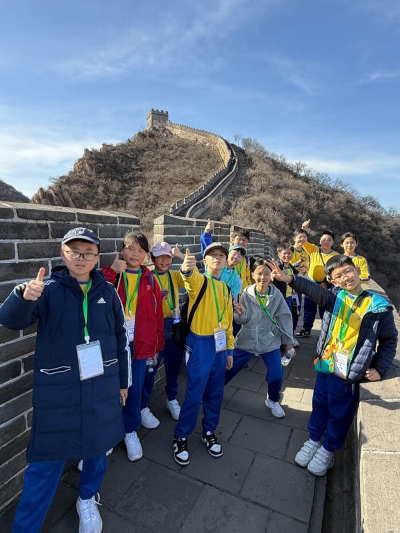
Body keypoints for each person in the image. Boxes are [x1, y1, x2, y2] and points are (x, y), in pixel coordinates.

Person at [0, 227, 131, 533]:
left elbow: (121, 337)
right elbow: (11, 320)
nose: (81, 258)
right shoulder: (47, 290)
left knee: (97, 451)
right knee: (44, 465)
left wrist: (123, 382)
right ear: (63, 254)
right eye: (74, 252)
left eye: (88, 253)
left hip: (102, 386)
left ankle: (87, 497)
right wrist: (22, 297)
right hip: (59, 392)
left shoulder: (108, 292)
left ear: (97, 257)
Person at [269, 255, 397, 476]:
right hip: (327, 363)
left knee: (340, 411)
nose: (346, 277)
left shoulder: (378, 307)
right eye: (339, 276)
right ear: (333, 281)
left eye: (348, 271)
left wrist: (379, 368)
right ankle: (313, 440)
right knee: (319, 403)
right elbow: (311, 289)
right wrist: (289, 278)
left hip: (349, 370)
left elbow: (390, 340)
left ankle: (328, 449)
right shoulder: (335, 297)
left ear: (357, 271)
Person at [101, 233, 164, 462]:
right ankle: (108, 434)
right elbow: (94, 294)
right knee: (108, 390)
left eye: (140, 250)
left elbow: (158, 315)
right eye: (130, 248)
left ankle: (129, 430)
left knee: (134, 389)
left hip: (140, 344)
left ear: (146, 254)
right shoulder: (112, 275)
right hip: (113, 345)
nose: (135, 254)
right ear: (122, 249)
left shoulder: (150, 279)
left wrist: (157, 346)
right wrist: (112, 271)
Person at [173, 243, 234, 466]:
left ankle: (209, 430)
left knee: (215, 390)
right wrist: (186, 269)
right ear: (205, 261)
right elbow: (189, 279)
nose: (217, 258)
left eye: (221, 256)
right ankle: (181, 435)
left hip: (219, 343)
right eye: (212, 255)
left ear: (226, 261)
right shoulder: (201, 281)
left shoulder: (226, 288)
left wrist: (230, 349)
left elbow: (228, 321)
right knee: (195, 391)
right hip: (200, 343)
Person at [225, 258, 295, 418]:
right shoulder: (245, 295)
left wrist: (288, 343)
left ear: (271, 276)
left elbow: (284, 318)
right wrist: (240, 313)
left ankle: (273, 400)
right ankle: (213, 392)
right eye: (259, 273)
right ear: (252, 275)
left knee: (276, 375)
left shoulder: (277, 295)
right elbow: (241, 321)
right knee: (228, 368)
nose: (263, 277)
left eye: (266, 274)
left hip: (269, 341)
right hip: (246, 340)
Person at [140, 241, 185, 426]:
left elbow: (194, 274)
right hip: (155, 328)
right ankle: (142, 405)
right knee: (150, 369)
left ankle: (171, 398)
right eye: (160, 257)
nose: (164, 261)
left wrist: (181, 256)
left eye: (168, 257)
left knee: (174, 366)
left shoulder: (175, 276)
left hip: (174, 326)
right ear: (153, 258)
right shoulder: (147, 278)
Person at [296, 220, 338, 337]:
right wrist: (303, 228)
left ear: (333, 242)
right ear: (320, 241)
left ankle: (325, 332)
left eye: (329, 240)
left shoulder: (335, 256)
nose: (326, 242)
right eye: (324, 239)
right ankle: (306, 329)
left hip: (326, 285)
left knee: (325, 310)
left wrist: (328, 283)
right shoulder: (314, 249)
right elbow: (303, 241)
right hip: (311, 283)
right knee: (309, 308)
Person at [200, 219, 244, 298]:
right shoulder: (215, 264)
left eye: (240, 256)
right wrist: (207, 232)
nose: (236, 257)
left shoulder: (236, 280)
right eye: (234, 254)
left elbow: (233, 299)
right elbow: (207, 249)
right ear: (227, 254)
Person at [273, 244, 300, 347]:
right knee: (283, 318)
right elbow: (273, 280)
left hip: (293, 296)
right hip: (283, 297)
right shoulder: (278, 267)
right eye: (285, 253)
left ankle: (291, 336)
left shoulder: (291, 267)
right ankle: (283, 339)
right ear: (279, 254)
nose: (287, 255)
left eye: (289, 253)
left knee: (295, 315)